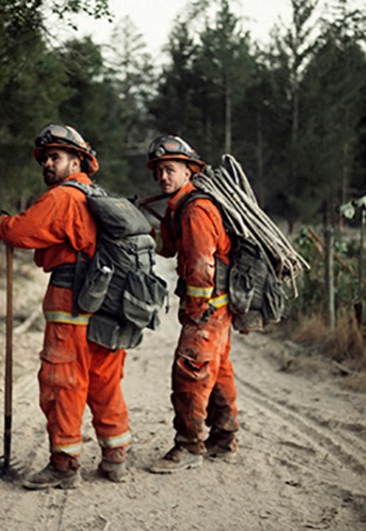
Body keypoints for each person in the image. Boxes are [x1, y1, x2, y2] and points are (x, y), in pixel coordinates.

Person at [0, 124, 131, 489]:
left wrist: (0, 223)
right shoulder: (96, 195)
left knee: (62, 381)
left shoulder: (63, 197)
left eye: (56, 157)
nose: (48, 164)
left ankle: (64, 466)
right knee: (104, 382)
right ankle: (115, 458)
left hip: (72, 304)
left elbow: (21, 232)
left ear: (77, 160)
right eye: (45, 158)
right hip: (106, 307)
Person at [144, 135, 239, 474]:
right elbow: (169, 251)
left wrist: (195, 311)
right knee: (219, 368)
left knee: (190, 370)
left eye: (170, 169)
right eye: (159, 172)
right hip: (219, 304)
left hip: (207, 305)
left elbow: (201, 266)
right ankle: (224, 439)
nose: (163, 177)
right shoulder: (179, 207)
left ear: (190, 172)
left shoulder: (196, 210)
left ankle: (189, 446)